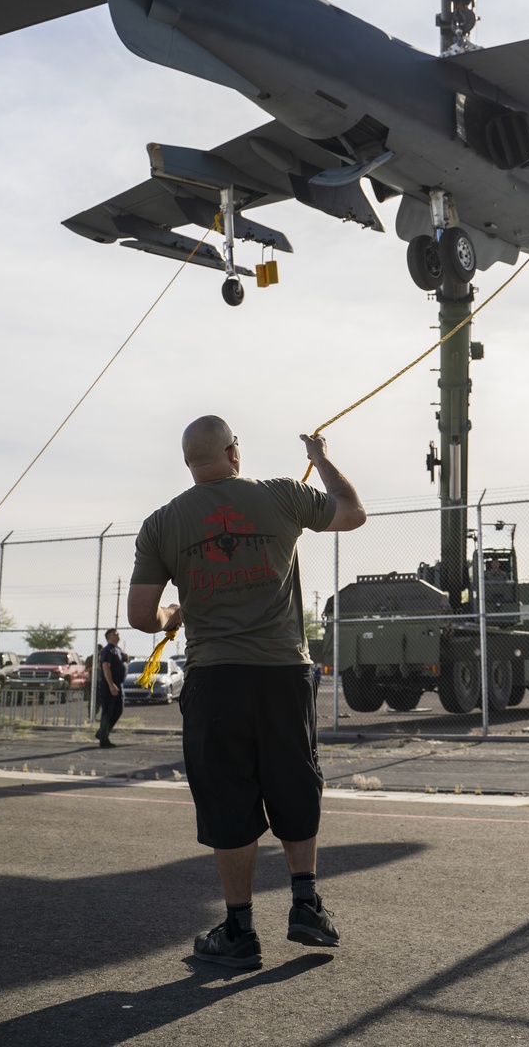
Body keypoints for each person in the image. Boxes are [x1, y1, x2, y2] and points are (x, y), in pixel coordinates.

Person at [127, 416, 365, 971]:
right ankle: (306, 905)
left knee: (227, 798)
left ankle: (238, 931)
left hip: (215, 679)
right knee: (294, 781)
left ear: (190, 463)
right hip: (283, 673)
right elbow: (352, 513)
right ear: (234, 452)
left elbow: (142, 615)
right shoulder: (283, 495)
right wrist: (321, 456)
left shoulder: (161, 524)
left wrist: (175, 614)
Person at [96, 627, 126, 748]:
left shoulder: (117, 649)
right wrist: (111, 685)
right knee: (109, 711)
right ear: (109, 637)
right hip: (110, 684)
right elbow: (105, 667)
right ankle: (103, 739)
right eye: (115, 633)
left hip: (118, 684)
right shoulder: (107, 650)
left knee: (118, 710)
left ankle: (102, 733)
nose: (118, 635)